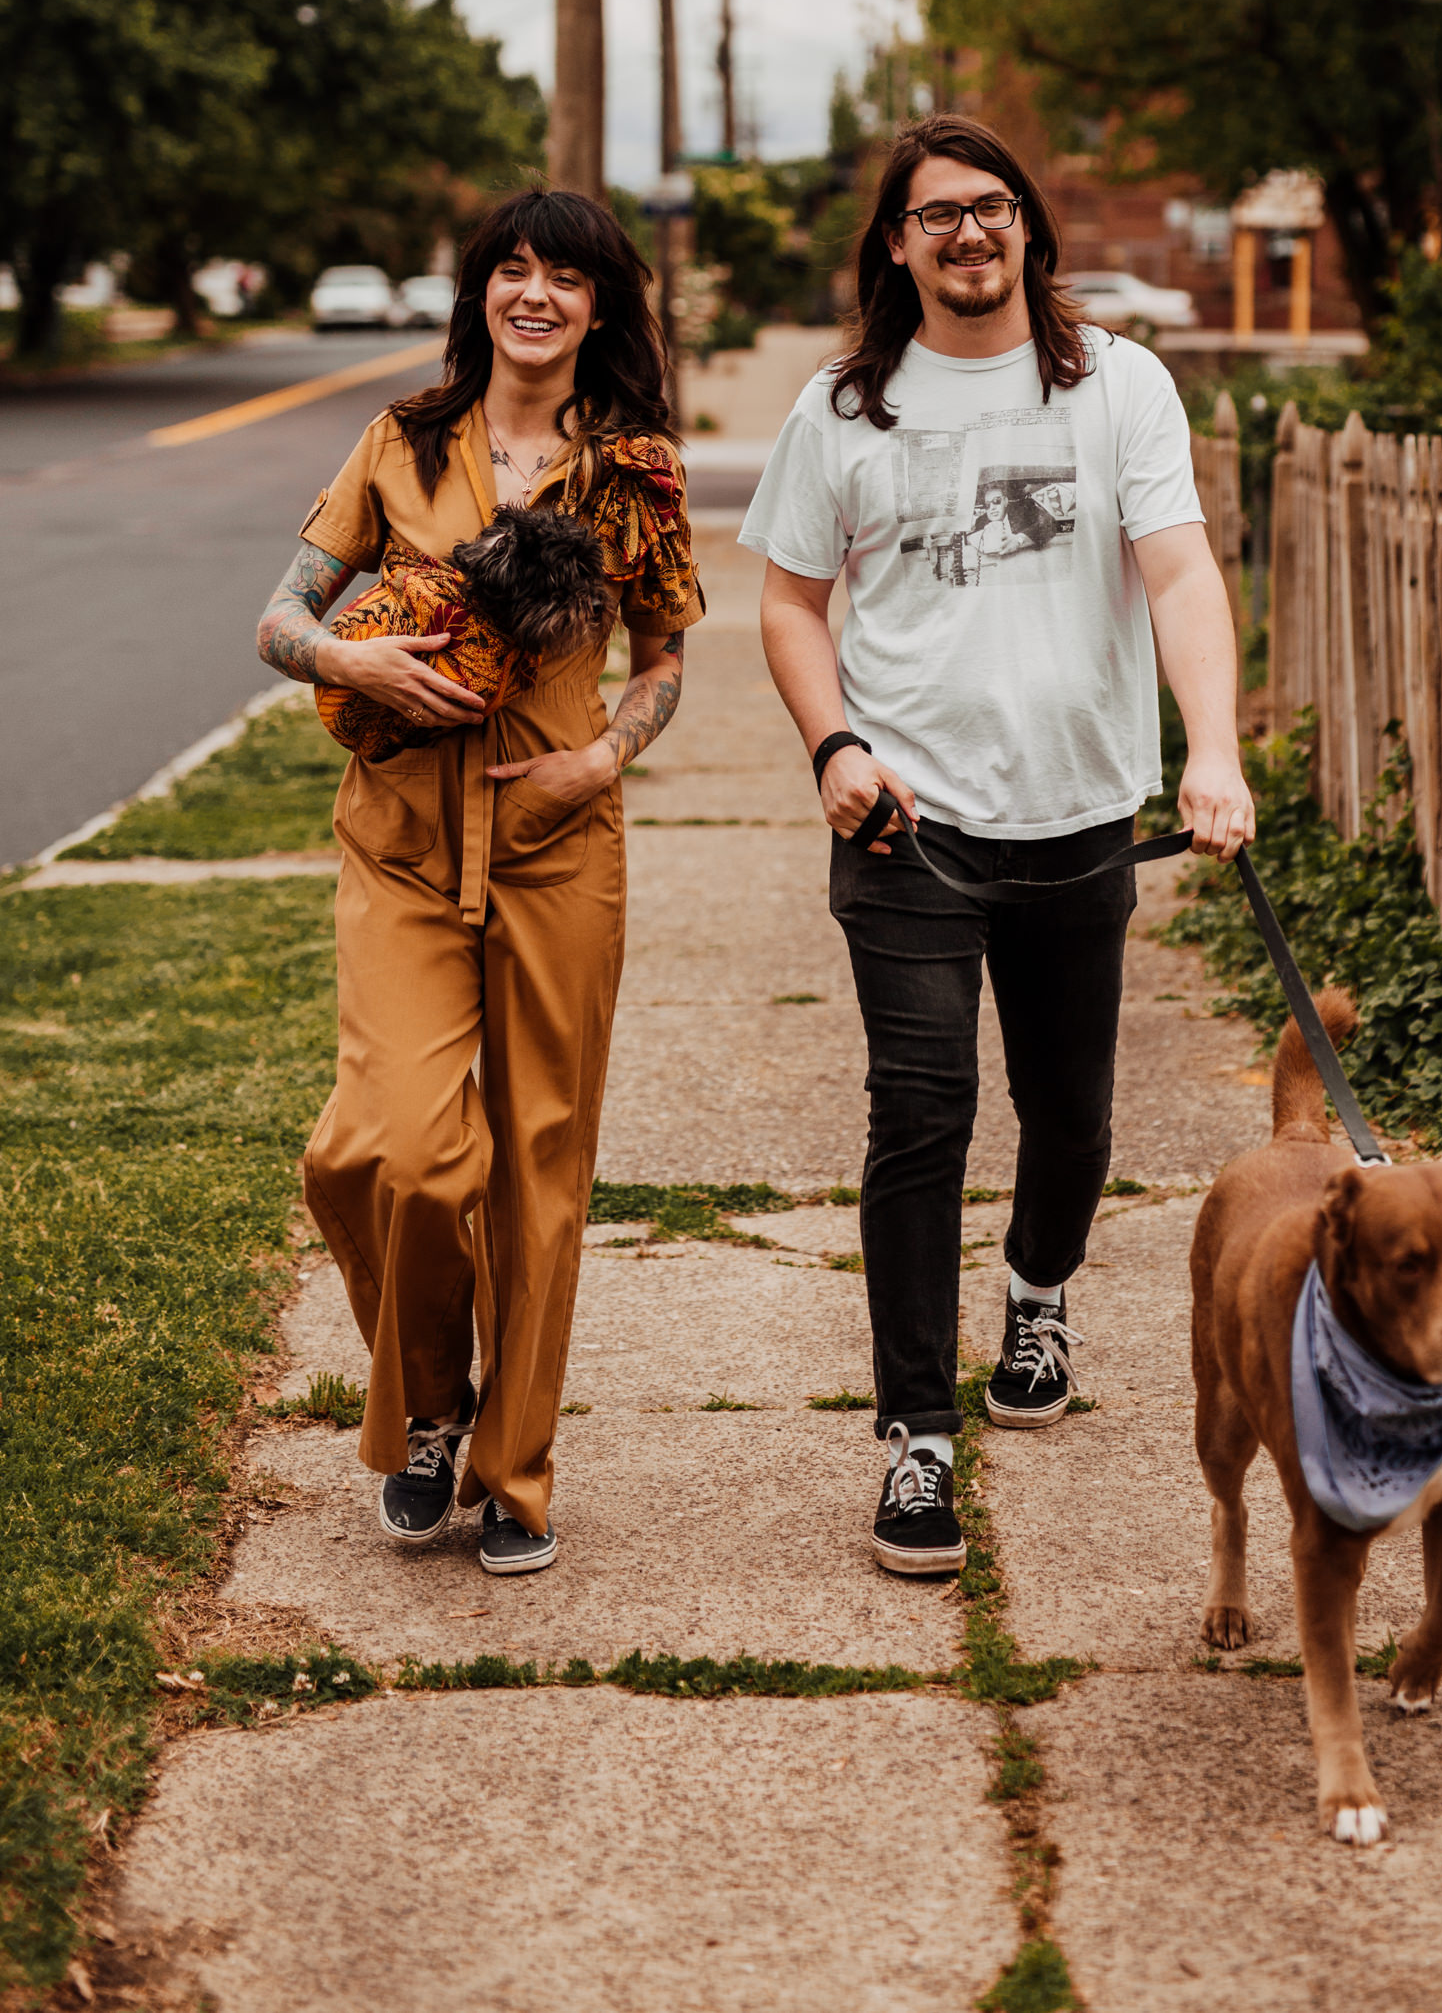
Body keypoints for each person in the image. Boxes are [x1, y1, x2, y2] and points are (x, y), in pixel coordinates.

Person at [741, 113, 1253, 1576]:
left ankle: (1037, 1289)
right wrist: (833, 744)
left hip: (1079, 813)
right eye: (935, 215)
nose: (968, 233)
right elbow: (786, 602)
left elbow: (1177, 574)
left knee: (1072, 1119)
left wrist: (1208, 748)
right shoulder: (844, 410)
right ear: (894, 247)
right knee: (921, 1113)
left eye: (991, 207)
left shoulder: (1116, 390)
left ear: (1029, 225)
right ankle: (914, 1438)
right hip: (906, 821)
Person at [256, 189, 703, 1576]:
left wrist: (603, 760)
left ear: (599, 307)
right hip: (399, 833)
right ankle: (435, 1402)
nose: (535, 294)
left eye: (565, 277)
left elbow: (667, 657)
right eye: (512, 269)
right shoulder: (402, 441)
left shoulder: (634, 470)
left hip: (557, 847)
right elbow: (279, 613)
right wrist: (351, 660)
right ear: (480, 294)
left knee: (538, 1177)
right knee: (382, 1150)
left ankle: (512, 1472)